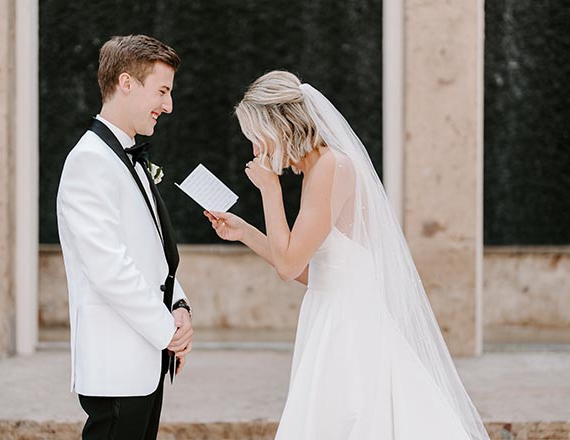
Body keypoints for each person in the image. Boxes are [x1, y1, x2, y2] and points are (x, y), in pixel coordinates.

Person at [205, 71, 489, 439]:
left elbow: (289, 266)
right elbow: (312, 271)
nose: (256, 150)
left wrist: (270, 190)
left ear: (280, 126)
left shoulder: (330, 167)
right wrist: (244, 232)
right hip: (329, 313)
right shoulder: (319, 168)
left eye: (257, 138)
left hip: (349, 326)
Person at [56, 35, 193, 440]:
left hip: (145, 357)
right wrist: (165, 330)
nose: (168, 105)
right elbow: (107, 267)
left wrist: (179, 305)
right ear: (127, 82)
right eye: (162, 90)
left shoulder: (127, 154)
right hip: (117, 362)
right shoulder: (88, 161)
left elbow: (149, 251)